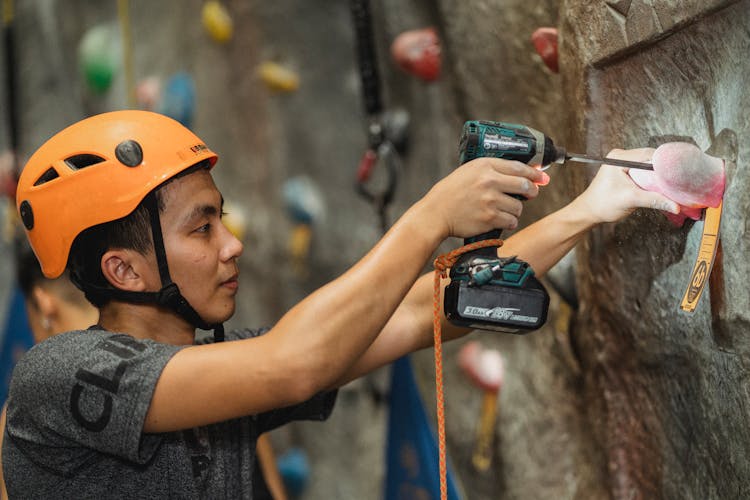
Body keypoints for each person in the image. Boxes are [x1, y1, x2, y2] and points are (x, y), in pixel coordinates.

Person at [2, 110, 678, 498]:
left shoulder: (223, 371)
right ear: (124, 268)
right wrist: (430, 216)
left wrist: (593, 207)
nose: (233, 246)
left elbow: (420, 311)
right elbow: (296, 364)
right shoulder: (61, 376)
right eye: (203, 227)